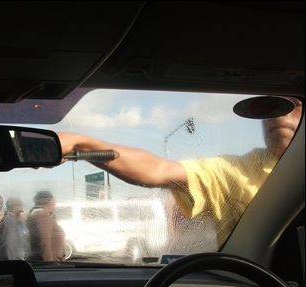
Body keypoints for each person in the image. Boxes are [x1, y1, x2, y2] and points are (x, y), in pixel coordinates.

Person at [57, 97, 302, 247]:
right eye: (272, 109)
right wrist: (79, 144)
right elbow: (158, 170)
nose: (278, 116)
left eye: (296, 104)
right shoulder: (236, 169)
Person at [26, 191, 66, 262]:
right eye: (53, 201)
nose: (54, 203)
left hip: (53, 261)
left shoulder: (41, 215)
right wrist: (49, 264)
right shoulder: (41, 215)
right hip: (51, 262)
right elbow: (44, 244)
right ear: (47, 202)